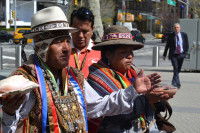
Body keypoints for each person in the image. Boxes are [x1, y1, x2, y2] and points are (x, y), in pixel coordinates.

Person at [1, 6, 159, 133]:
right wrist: (8, 114)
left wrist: (132, 90)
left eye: (67, 41)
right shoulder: (25, 81)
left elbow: (99, 106)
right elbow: (10, 126)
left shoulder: (74, 77)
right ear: (42, 47)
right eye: (58, 42)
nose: (66, 48)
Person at [87, 25, 173, 133]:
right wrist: (147, 100)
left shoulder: (134, 72)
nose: (130, 56)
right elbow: (118, 115)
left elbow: (152, 107)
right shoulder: (98, 78)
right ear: (108, 54)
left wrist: (158, 98)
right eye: (123, 52)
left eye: (130, 51)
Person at [69, 7, 101, 78]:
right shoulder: (62, 50)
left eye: (85, 31)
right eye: (76, 30)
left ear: (92, 29)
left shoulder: (101, 52)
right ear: (70, 28)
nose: (80, 36)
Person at [163, 23, 189, 88]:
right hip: (173, 55)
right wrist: (164, 55)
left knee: (178, 70)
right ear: (173, 28)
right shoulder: (171, 36)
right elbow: (167, 46)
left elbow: (187, 45)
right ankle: (177, 83)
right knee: (175, 68)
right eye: (175, 27)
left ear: (179, 28)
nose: (176, 28)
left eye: (177, 27)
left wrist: (185, 54)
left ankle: (173, 81)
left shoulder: (184, 35)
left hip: (181, 54)